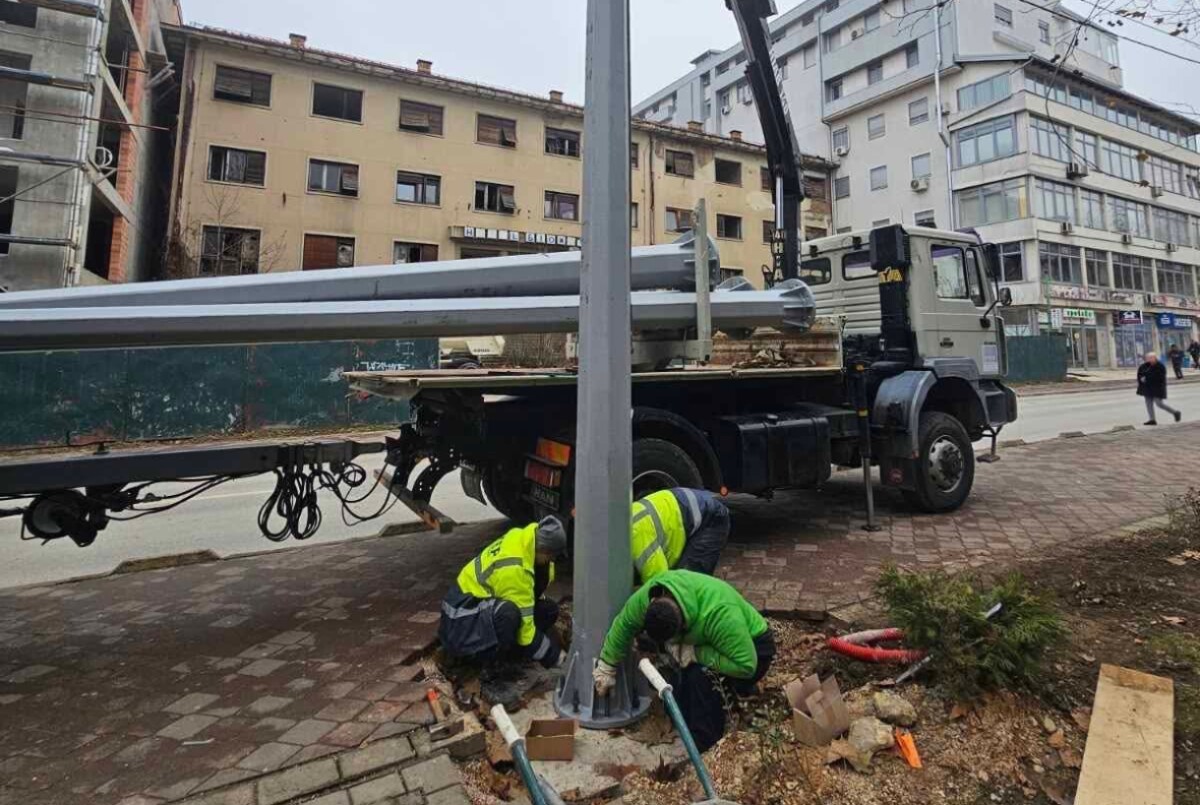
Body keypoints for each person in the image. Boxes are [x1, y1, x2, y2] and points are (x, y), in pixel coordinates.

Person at [593, 569, 775, 753]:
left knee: (701, 678)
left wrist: (696, 654)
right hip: (714, 642)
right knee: (682, 688)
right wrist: (606, 665)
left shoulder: (719, 615)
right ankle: (719, 700)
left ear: (683, 627)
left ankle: (706, 745)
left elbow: (746, 665)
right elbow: (625, 624)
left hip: (754, 650)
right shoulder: (650, 595)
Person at [438, 516, 567, 669]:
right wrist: (555, 657)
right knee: (507, 614)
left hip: (477, 610)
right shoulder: (515, 569)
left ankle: (516, 652)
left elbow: (530, 599)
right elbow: (526, 631)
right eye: (551, 556)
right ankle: (488, 665)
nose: (551, 561)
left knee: (548, 609)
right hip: (460, 621)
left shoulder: (525, 538)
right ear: (543, 550)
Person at [631, 488, 730, 584]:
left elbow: (660, 580)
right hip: (681, 502)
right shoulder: (624, 518)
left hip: (711, 518)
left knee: (685, 584)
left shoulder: (637, 538)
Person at [1137, 351, 1181, 426]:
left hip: (1157, 388)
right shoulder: (1144, 366)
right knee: (1148, 404)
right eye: (1148, 358)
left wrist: (1147, 378)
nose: (1148, 359)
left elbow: (1159, 377)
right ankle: (1152, 419)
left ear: (1155, 358)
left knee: (1159, 404)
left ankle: (1175, 412)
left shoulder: (1160, 366)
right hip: (1147, 388)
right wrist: (1141, 378)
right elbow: (1140, 374)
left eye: (1150, 358)